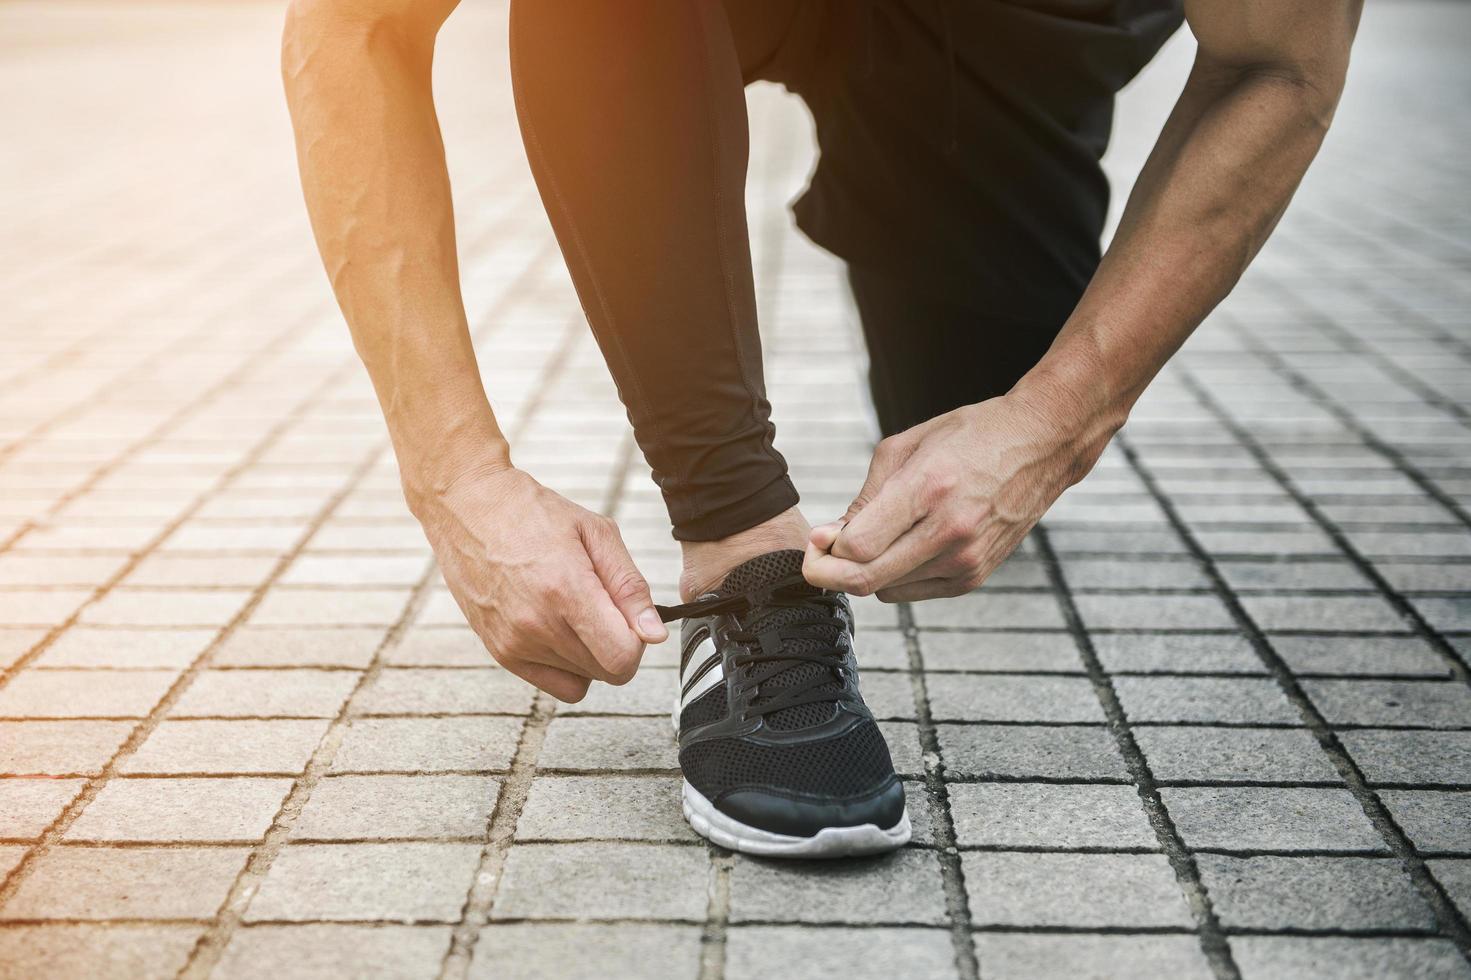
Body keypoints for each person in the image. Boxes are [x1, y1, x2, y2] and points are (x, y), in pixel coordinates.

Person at [282, 0, 1361, 856]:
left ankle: (929, 240)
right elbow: (355, 20)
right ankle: (742, 551)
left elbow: (1282, 59)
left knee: (973, 380)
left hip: (1006, 40)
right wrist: (457, 477)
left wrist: (1050, 422)